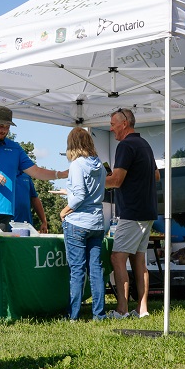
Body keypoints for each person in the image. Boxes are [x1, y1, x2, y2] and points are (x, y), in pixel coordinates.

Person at [105, 108, 159, 319]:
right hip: (148, 211)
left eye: (112, 124)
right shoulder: (144, 144)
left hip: (132, 212)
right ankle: (142, 309)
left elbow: (116, 181)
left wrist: (95, 181)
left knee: (117, 258)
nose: (111, 129)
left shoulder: (125, 145)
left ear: (124, 123)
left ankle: (121, 310)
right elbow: (155, 176)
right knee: (139, 261)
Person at [0, 105, 67, 231]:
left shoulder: (15, 148)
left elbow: (36, 171)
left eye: (7, 127)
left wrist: (61, 174)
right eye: (0, 126)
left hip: (6, 212)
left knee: (1, 251)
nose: (3, 130)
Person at [59, 127, 106, 321]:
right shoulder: (100, 165)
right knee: (96, 269)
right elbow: (91, 193)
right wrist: (67, 192)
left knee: (77, 269)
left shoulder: (77, 164)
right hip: (96, 223)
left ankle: (74, 315)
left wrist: (64, 211)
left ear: (72, 144)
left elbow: (79, 196)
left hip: (77, 223)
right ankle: (99, 314)